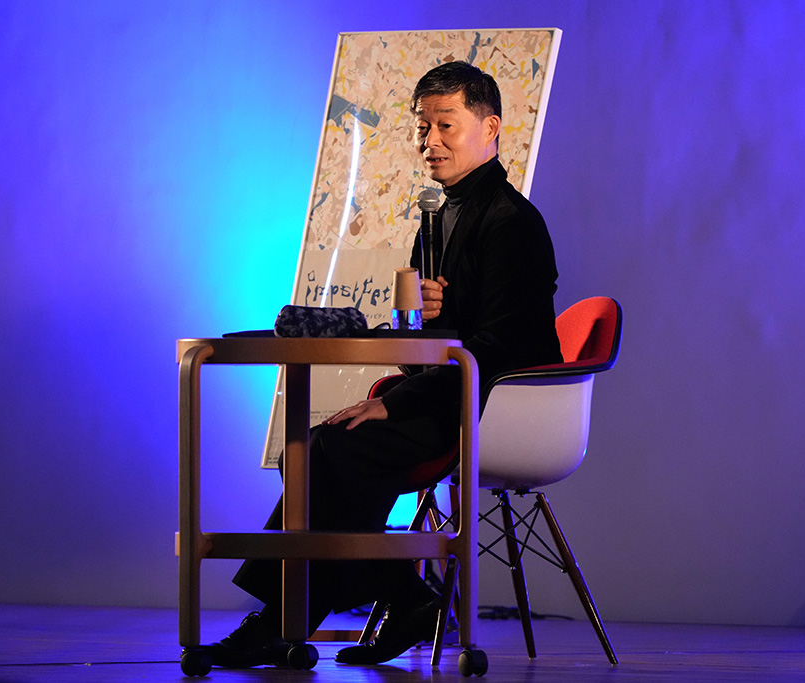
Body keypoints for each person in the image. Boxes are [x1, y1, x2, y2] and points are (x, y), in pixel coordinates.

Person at [207, 60, 561, 669]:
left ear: (490, 128)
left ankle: (308, 614)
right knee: (313, 449)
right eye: (423, 128)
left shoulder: (512, 223)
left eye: (446, 125)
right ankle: (383, 599)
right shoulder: (438, 216)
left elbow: (502, 343)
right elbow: (445, 336)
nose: (430, 142)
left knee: (335, 451)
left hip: (495, 405)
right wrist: (422, 325)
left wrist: (394, 402)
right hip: (447, 390)